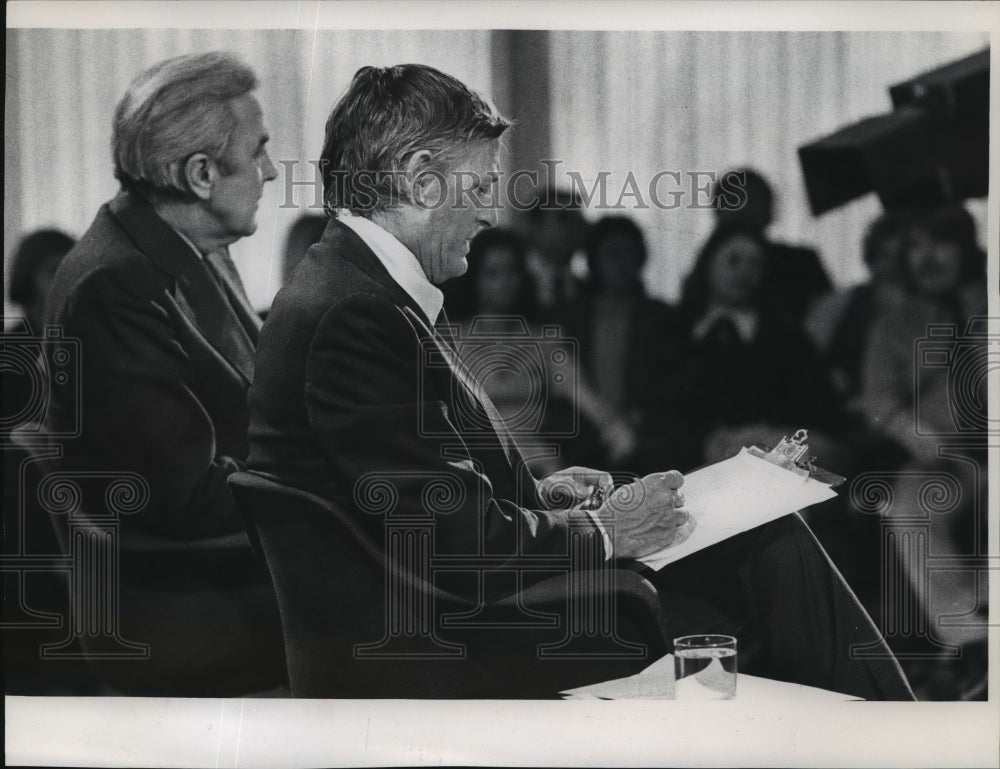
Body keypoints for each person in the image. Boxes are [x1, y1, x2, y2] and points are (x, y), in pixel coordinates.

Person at [247, 63, 913, 699]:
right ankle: (885, 734)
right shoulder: (356, 314)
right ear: (421, 181)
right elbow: (449, 539)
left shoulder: (349, 288)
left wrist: (543, 496)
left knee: (764, 534)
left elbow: (420, 497)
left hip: (445, 613)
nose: (489, 216)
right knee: (768, 547)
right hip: (449, 644)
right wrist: (603, 527)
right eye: (479, 188)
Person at [43, 51, 285, 695]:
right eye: (258, 151)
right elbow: (188, 499)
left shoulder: (191, 247)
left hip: (231, 571)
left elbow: (263, 403)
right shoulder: (113, 286)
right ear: (201, 174)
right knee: (448, 610)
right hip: (190, 607)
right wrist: (338, 484)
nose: (270, 171)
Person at [711, 168, 832, 324]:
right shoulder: (708, 266)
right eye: (734, 200)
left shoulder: (802, 263)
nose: (743, 208)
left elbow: (827, 320)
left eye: (752, 200)